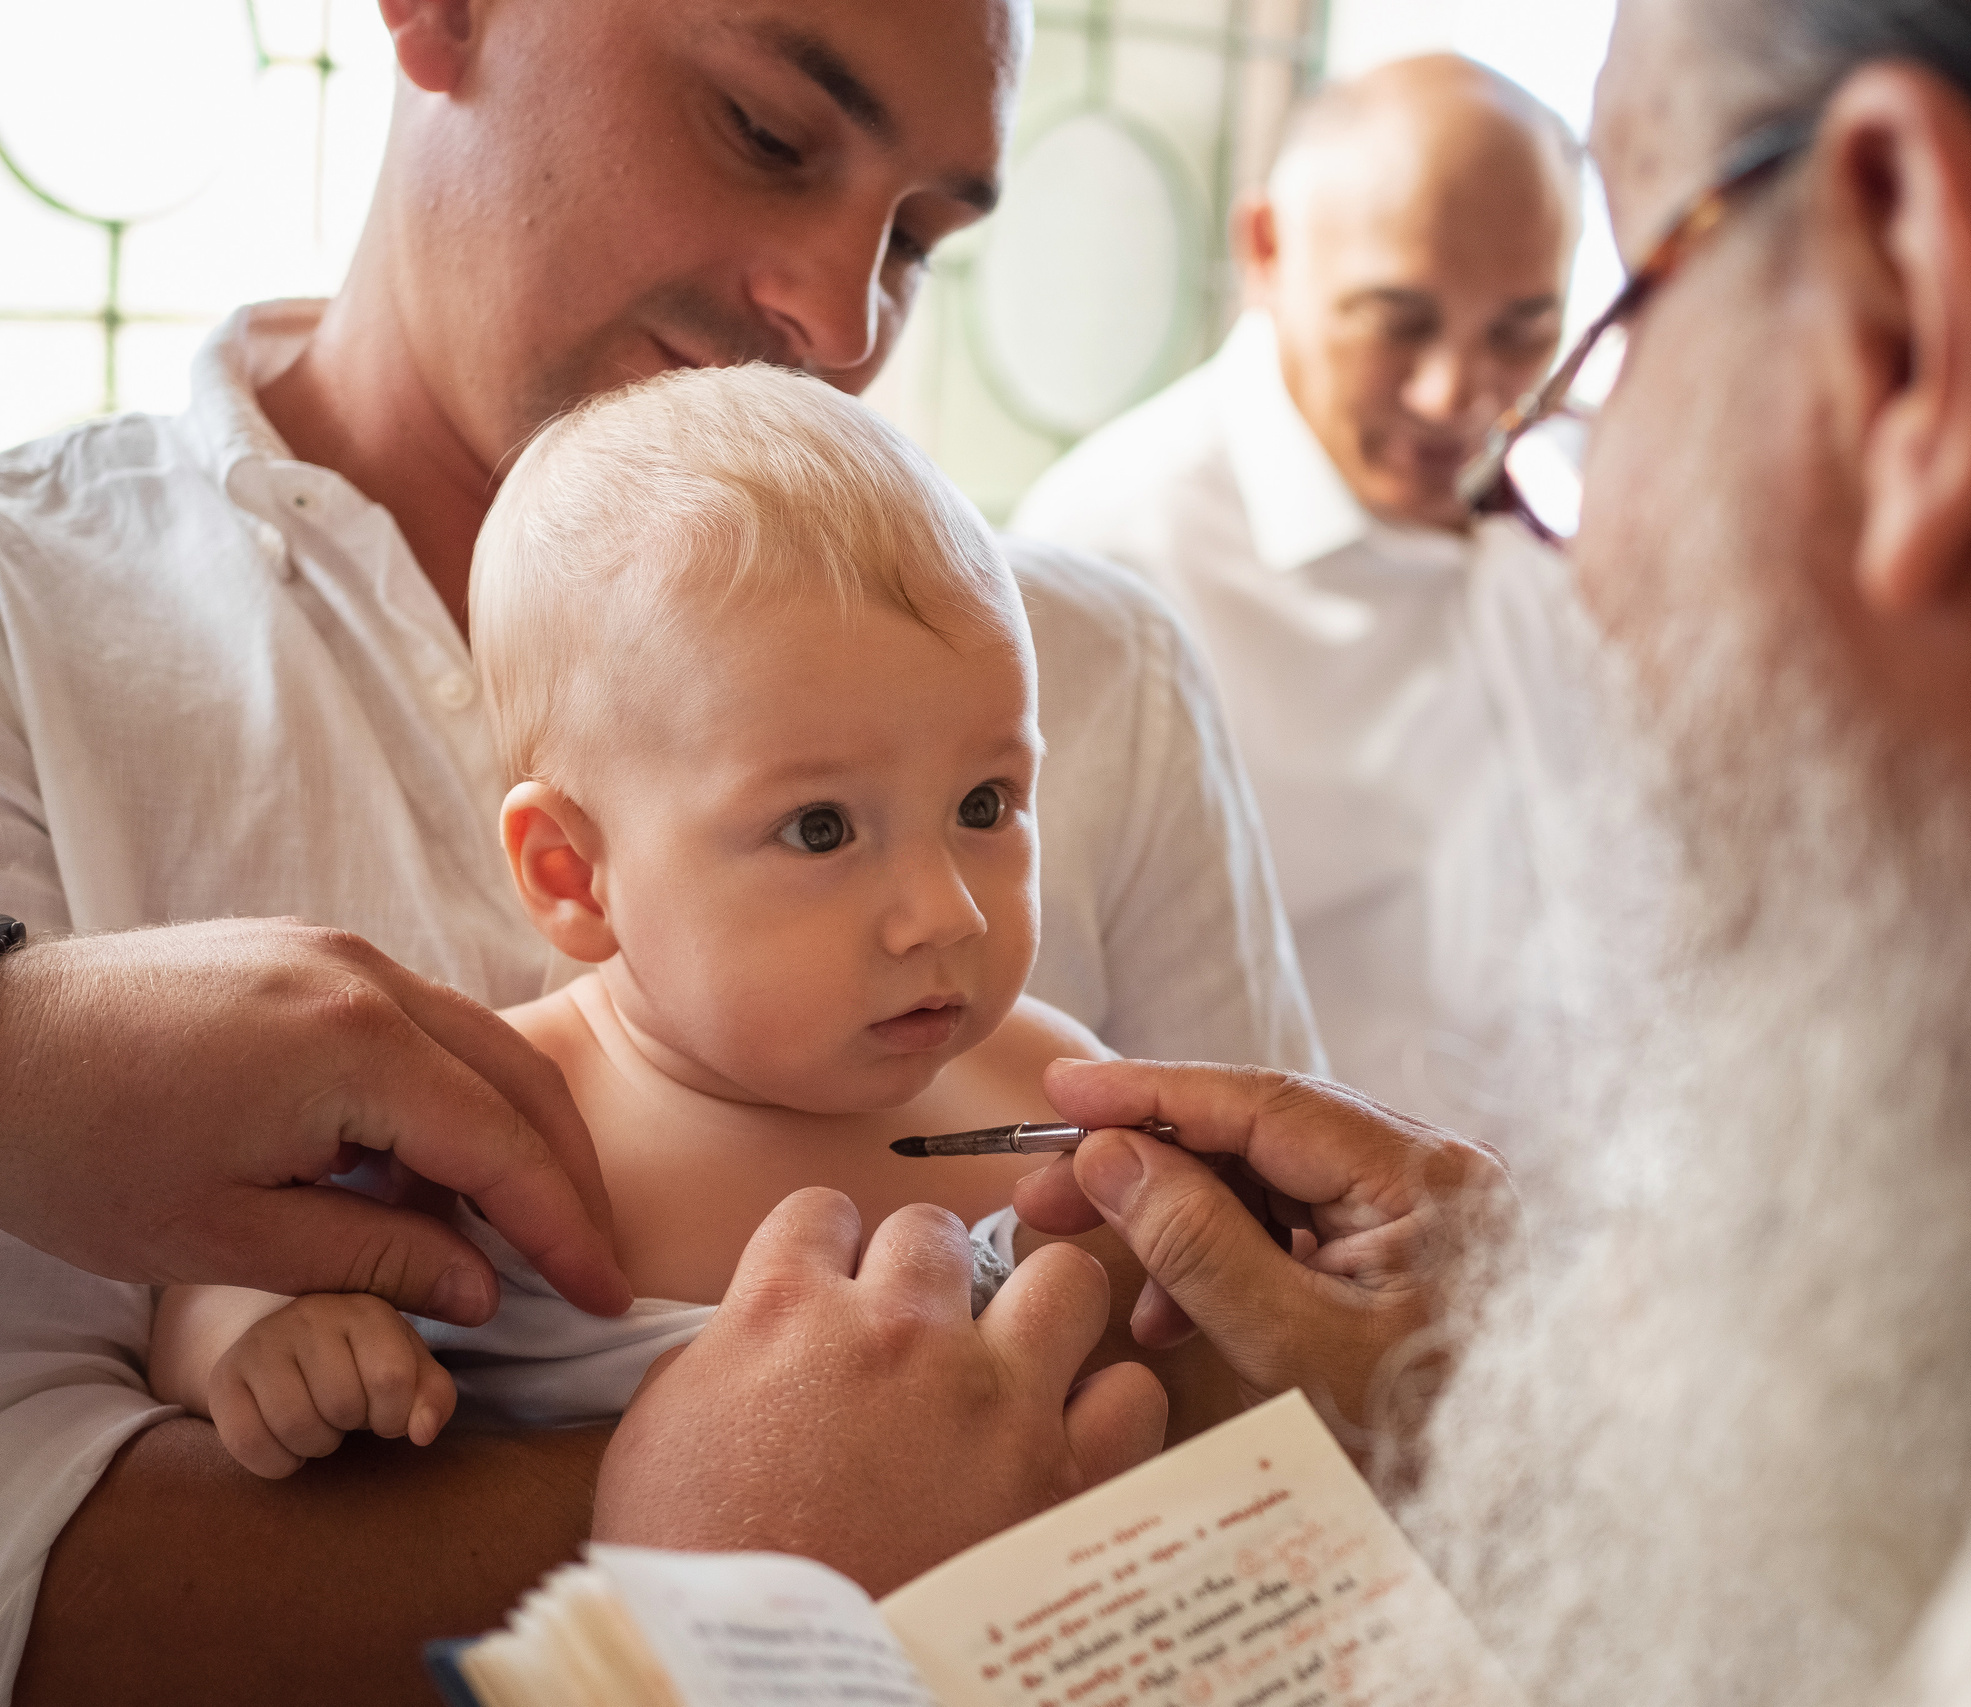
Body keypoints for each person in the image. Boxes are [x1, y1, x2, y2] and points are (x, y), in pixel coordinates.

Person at [581, 0, 1971, 1702]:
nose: (1572, 538)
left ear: (1901, 321)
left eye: (1599, 330)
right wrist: (1534, 1402)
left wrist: (726, 1605)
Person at [0, 0, 1316, 1697]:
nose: (839, 324)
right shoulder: (34, 636)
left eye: (917, 240)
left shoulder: (1099, 669)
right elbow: (40, 1567)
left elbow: (1285, 1417)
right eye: (768, 133)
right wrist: (766, 1559)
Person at [146, 367, 1213, 1475]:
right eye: (819, 830)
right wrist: (271, 1341)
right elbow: (212, 1276)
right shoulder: (485, 1122)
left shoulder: (1048, 1089)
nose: (943, 913)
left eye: (983, 806)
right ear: (575, 875)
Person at [1013, 54, 1592, 1132]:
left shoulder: (1577, 499)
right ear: (1266, 250)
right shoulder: (1107, 574)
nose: (1458, 397)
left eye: (1520, 330)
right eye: (1398, 320)